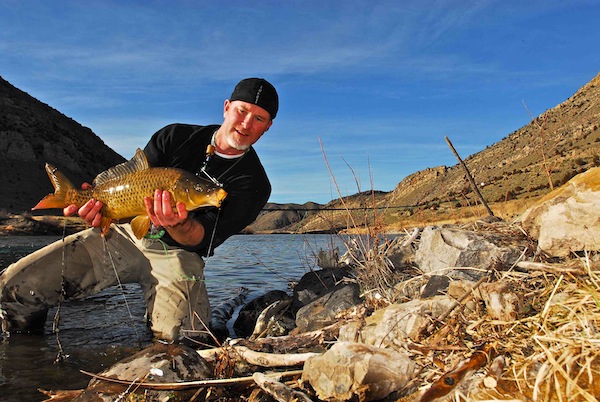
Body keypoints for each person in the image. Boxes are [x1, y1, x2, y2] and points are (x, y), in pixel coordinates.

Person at [0, 78, 278, 342]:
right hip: (123, 235)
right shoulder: (175, 136)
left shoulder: (255, 184)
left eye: (258, 118)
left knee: (185, 340)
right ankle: (26, 355)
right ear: (227, 107)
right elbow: (133, 181)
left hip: (179, 253)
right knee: (13, 288)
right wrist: (99, 211)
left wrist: (178, 224)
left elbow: (201, 237)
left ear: (268, 126)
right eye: (242, 111)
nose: (246, 124)